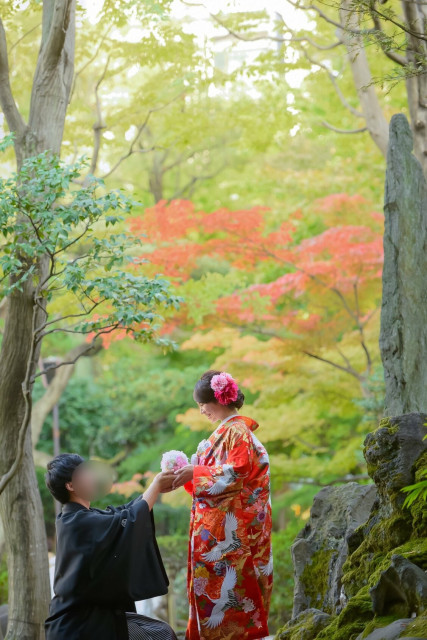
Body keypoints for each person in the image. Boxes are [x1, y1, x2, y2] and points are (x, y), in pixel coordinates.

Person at [172, 371, 273, 640]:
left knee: (232, 593)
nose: (201, 410)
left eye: (202, 403)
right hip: (222, 526)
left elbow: (237, 472)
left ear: (218, 399)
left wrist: (196, 472)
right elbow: (217, 474)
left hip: (236, 528)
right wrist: (189, 471)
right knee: (219, 593)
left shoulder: (237, 430)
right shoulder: (227, 431)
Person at [44, 453, 178, 640]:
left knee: (161, 633)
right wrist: (154, 487)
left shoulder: (81, 517)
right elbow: (128, 519)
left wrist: (154, 489)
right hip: (78, 626)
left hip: (91, 619)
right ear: (71, 485)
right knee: (161, 635)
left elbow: (122, 514)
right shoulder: (75, 521)